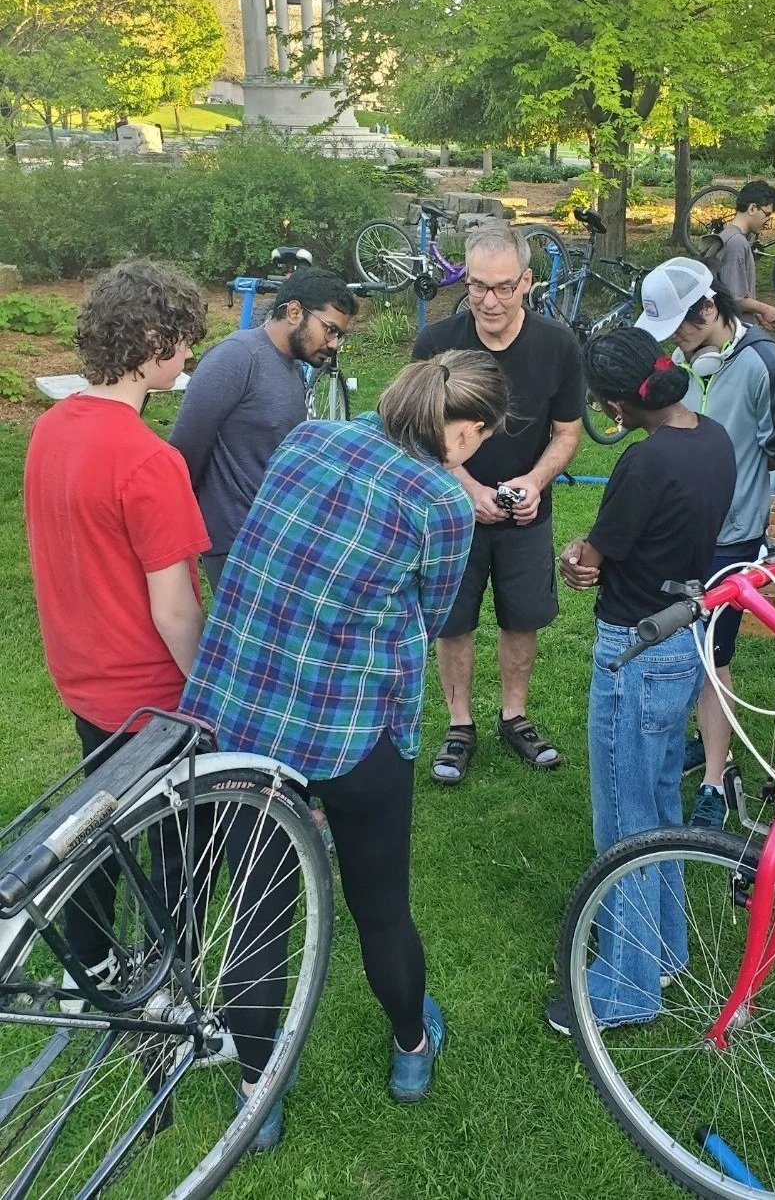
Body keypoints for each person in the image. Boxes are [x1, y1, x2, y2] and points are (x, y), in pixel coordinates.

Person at [181, 351, 509, 1144]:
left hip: (246, 717)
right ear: (464, 431)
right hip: (351, 730)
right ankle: (411, 1045)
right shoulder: (442, 500)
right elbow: (432, 615)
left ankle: (258, 1101)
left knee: (258, 913)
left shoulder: (307, 438)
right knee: (380, 908)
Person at [23, 258, 209, 996]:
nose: (191, 355)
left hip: (81, 672)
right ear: (155, 340)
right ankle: (170, 982)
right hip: (150, 695)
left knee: (96, 822)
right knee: (172, 850)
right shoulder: (149, 461)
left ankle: (90, 960)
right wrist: (212, 689)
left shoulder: (51, 427)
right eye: (186, 340)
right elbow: (174, 610)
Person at [546, 327, 735, 1032]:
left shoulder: (644, 464)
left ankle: (624, 989)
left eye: (605, 401)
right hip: (684, 637)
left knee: (624, 824)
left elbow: (597, 553)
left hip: (634, 650)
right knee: (657, 806)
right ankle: (664, 950)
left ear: (621, 401)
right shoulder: (712, 439)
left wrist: (572, 554)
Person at [635, 255, 775, 827]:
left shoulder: (764, 365)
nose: (677, 346)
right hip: (682, 532)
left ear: (709, 309)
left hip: (734, 540)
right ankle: (708, 741)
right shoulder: (688, 364)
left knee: (714, 658)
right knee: (685, 648)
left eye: (681, 330)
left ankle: (715, 780)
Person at [411, 222, 584, 784]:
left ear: (527, 282)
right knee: (453, 621)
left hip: (526, 511)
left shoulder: (558, 344)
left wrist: (533, 482)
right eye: (477, 286)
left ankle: (515, 714)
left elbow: (567, 433)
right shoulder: (436, 343)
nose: (488, 300)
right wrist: (469, 489)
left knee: (522, 616)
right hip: (448, 510)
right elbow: (416, 431)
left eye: (503, 287)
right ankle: (459, 724)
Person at [169, 266, 358, 591]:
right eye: (329, 330)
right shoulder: (236, 357)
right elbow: (184, 452)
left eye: (339, 334)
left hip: (279, 536)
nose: (334, 344)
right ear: (295, 312)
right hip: (238, 543)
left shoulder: (292, 365)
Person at [701, 179, 775, 331]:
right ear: (752, 208)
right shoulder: (737, 243)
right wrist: (765, 309)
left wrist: (756, 313)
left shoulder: (728, 234)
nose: (767, 221)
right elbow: (735, 298)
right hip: (734, 331)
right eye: (767, 214)